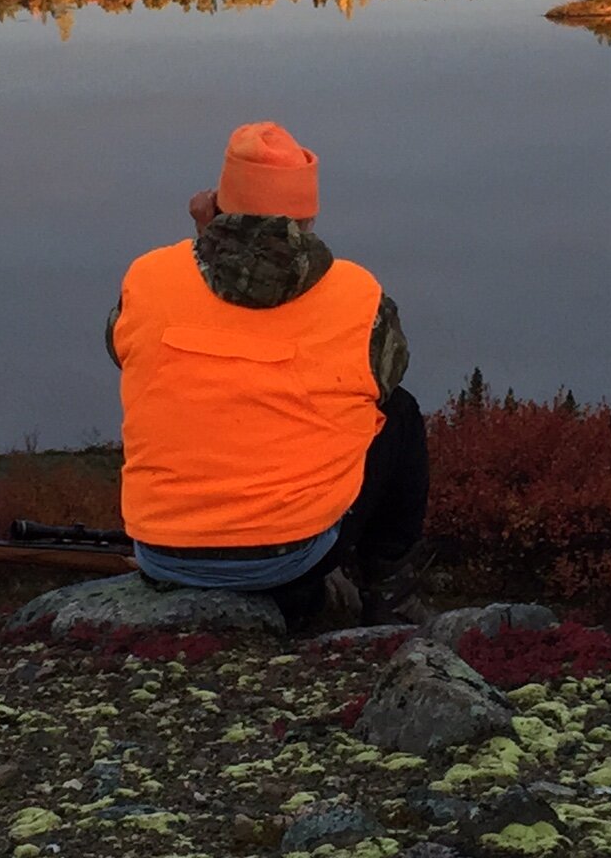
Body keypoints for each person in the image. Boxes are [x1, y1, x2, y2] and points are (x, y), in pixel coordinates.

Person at [105, 121, 431, 626]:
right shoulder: (357, 296)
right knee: (399, 413)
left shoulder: (148, 279)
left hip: (162, 550)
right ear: (309, 213)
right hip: (295, 555)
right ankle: (388, 595)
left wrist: (208, 248)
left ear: (216, 205)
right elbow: (386, 376)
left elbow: (121, 345)